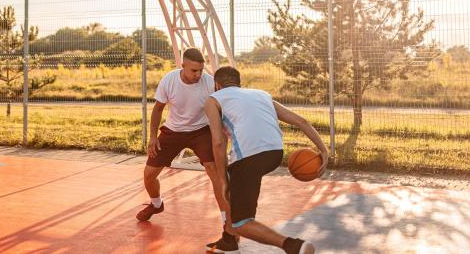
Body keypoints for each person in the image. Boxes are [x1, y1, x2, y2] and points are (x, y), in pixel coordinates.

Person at [204, 66, 329, 254]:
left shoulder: (213, 100)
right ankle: (229, 240)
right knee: (234, 189)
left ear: (217, 85)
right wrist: (324, 150)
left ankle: (293, 245)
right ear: (239, 84)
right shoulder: (261, 95)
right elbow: (301, 121)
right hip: (275, 154)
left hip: (249, 156)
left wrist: (221, 178)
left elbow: (218, 142)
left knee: (242, 222)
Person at [137, 48, 235, 250]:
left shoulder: (209, 82)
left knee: (214, 171)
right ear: (183, 66)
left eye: (200, 70)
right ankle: (156, 204)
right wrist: (153, 137)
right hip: (173, 131)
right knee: (149, 174)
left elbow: (222, 107)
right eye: (193, 71)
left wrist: (224, 133)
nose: (198, 75)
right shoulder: (169, 80)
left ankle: (227, 223)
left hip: (201, 131)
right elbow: (157, 109)